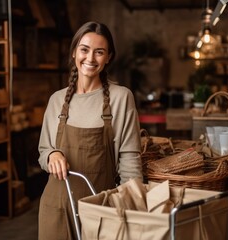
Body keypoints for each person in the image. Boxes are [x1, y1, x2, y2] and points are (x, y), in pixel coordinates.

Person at [37, 21, 142, 239]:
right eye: (84, 49)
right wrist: (52, 154)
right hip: (56, 208)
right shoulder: (57, 100)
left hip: (101, 207)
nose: (91, 58)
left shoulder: (121, 97)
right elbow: (44, 150)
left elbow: (130, 158)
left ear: (108, 57)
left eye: (99, 52)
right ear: (75, 51)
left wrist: (131, 208)